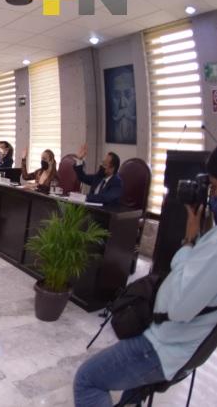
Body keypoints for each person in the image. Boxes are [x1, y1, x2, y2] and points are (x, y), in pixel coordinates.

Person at [73, 148, 217, 406]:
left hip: (163, 345)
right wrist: (192, 241)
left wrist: (188, 245)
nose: (211, 196)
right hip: (164, 334)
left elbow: (179, 307)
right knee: (130, 389)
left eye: (215, 188)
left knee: (87, 380)